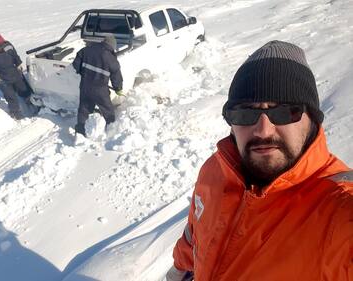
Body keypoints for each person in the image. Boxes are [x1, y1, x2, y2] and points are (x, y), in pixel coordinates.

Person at [166, 41, 353, 281]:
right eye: (245, 112)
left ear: (313, 119)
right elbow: (193, 236)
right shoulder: (215, 171)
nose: (263, 130)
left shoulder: (337, 210)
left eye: (284, 111)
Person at [72, 35, 123, 137]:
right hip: (100, 90)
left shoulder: (87, 49)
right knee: (108, 110)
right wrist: (118, 88)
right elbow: (116, 75)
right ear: (112, 45)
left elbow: (76, 63)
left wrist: (82, 72)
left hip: (85, 86)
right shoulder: (111, 59)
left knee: (84, 109)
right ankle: (111, 131)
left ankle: (80, 131)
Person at [0, 31, 33, 120]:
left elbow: (14, 55)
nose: (1, 48)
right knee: (11, 96)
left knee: (24, 89)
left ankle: (30, 102)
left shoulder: (7, 45)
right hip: (1, 78)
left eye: (2, 45)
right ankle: (15, 113)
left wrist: (18, 63)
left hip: (14, 73)